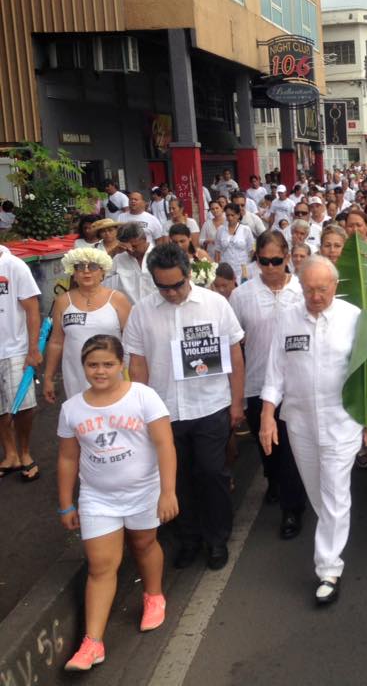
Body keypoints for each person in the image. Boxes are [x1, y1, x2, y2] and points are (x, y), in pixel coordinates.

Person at [259, 256, 367, 604]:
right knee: (319, 493)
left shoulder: (354, 318)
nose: (315, 296)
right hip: (300, 422)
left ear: (335, 285)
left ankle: (328, 568)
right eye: (309, 289)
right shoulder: (286, 319)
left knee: (334, 493)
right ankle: (330, 540)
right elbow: (276, 371)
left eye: (322, 289)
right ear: (299, 286)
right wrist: (268, 414)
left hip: (342, 421)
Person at [57, 335, 178, 672]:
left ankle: (153, 595)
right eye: (93, 364)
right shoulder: (72, 409)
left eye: (108, 364)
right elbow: (67, 458)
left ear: (121, 365)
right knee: (100, 565)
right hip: (97, 497)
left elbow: (165, 444)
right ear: (83, 367)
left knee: (143, 543)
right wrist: (67, 504)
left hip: (143, 490)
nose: (100, 371)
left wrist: (168, 491)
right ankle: (92, 642)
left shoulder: (143, 396)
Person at [124, 244, 245, 571]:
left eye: (177, 285)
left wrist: (237, 402)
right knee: (176, 480)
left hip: (210, 406)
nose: (172, 293)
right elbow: (137, 365)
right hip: (164, 412)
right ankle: (188, 539)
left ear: (189, 274)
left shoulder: (215, 305)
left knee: (211, 473)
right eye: (163, 287)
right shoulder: (142, 312)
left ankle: (217, 539)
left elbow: (235, 355)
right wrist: (140, 412)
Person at [230, 232, 307, 539]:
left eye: (277, 260)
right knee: (270, 451)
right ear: (257, 260)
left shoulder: (303, 291)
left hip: (297, 385)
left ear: (287, 257)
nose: (272, 267)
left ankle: (292, 510)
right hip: (258, 384)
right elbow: (234, 345)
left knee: (290, 449)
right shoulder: (242, 296)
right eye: (265, 261)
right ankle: (272, 480)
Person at [44, 248, 130, 402]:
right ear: (73, 273)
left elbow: (131, 340)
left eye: (93, 267)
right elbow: (56, 342)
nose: (86, 271)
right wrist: (48, 378)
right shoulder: (63, 301)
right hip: (75, 373)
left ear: (102, 272)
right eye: (80, 267)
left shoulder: (117, 299)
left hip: (112, 372)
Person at [0, 243, 42, 481]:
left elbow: (32, 308)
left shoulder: (14, 266)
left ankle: (25, 452)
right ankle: (10, 454)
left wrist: (33, 349)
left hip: (14, 348)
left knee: (23, 405)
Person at [107, 222, 156, 304]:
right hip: (129, 311)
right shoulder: (119, 258)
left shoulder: (160, 255)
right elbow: (100, 276)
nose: (130, 250)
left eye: (134, 246)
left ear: (144, 239)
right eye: (126, 247)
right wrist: (113, 252)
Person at [214, 202, 256, 284]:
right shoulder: (221, 230)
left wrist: (250, 267)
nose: (230, 218)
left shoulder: (245, 229)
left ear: (238, 215)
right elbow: (217, 251)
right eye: (227, 215)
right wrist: (217, 268)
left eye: (232, 215)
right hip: (226, 268)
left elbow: (251, 250)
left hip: (242, 268)